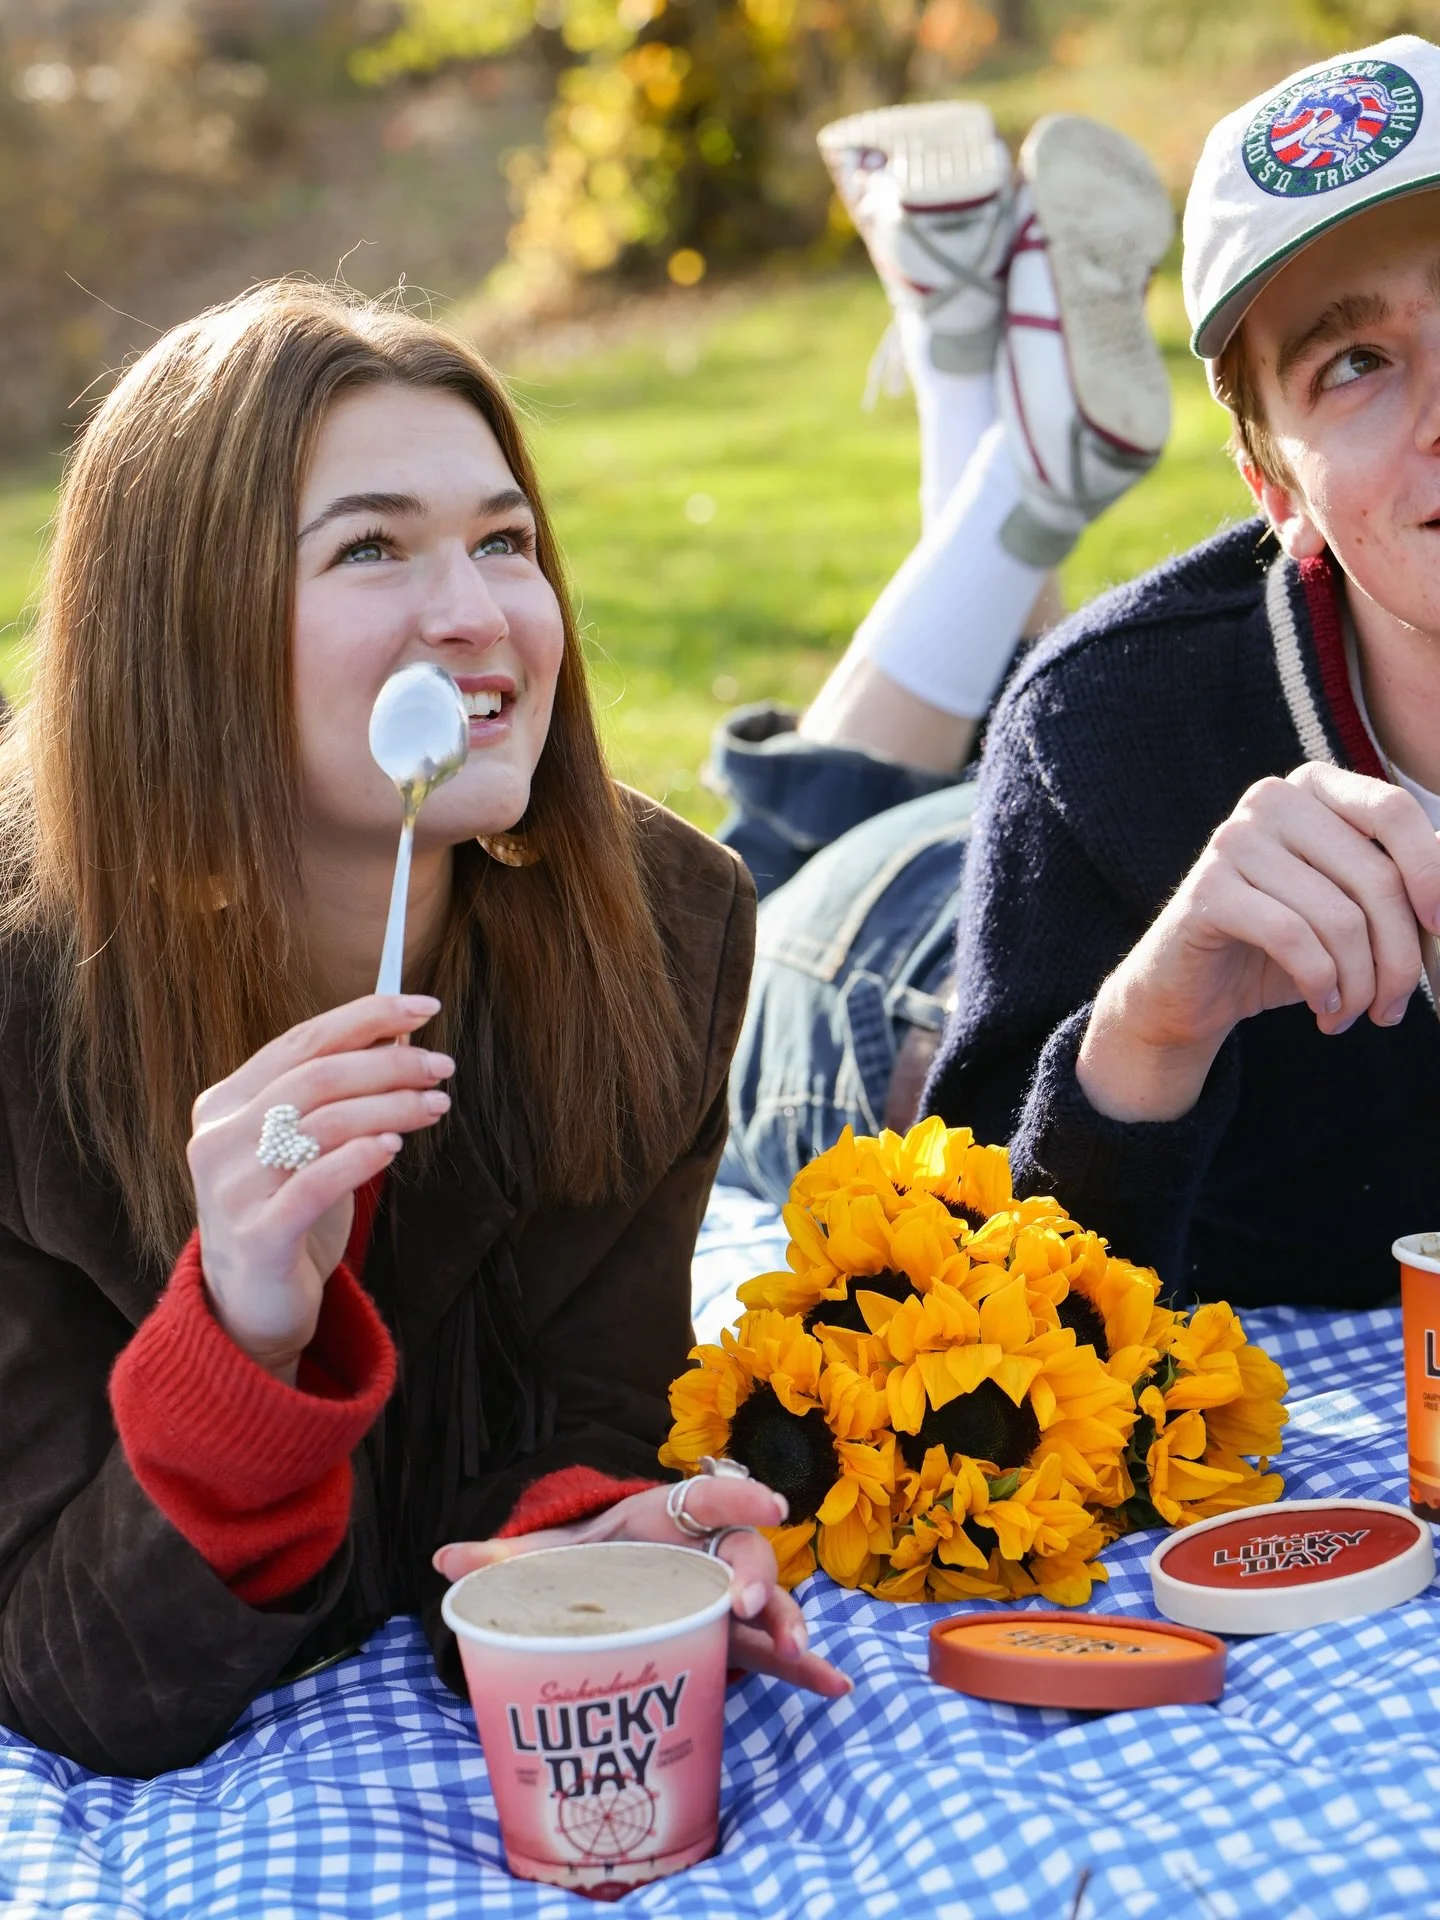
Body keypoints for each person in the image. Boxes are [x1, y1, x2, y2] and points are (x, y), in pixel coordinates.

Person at [0, 282, 844, 1779]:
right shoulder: (24, 1016)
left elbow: (580, 1415)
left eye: (505, 541)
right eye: (373, 546)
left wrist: (600, 1534)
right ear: (177, 627)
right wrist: (247, 1336)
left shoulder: (665, 935)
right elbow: (70, 1677)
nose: (480, 614)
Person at [923, 34, 1440, 1309]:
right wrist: (1154, 1027)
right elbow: (973, 1316)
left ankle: (988, 408)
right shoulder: (1100, 730)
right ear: (1275, 486)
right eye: (1357, 364)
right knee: (813, 827)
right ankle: (985, 420)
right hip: (886, 979)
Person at [715, 104, 1175, 1203]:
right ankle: (986, 402)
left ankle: (982, 396)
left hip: (924, 941)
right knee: (726, 930)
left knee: (711, 960)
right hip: (1005, 898)